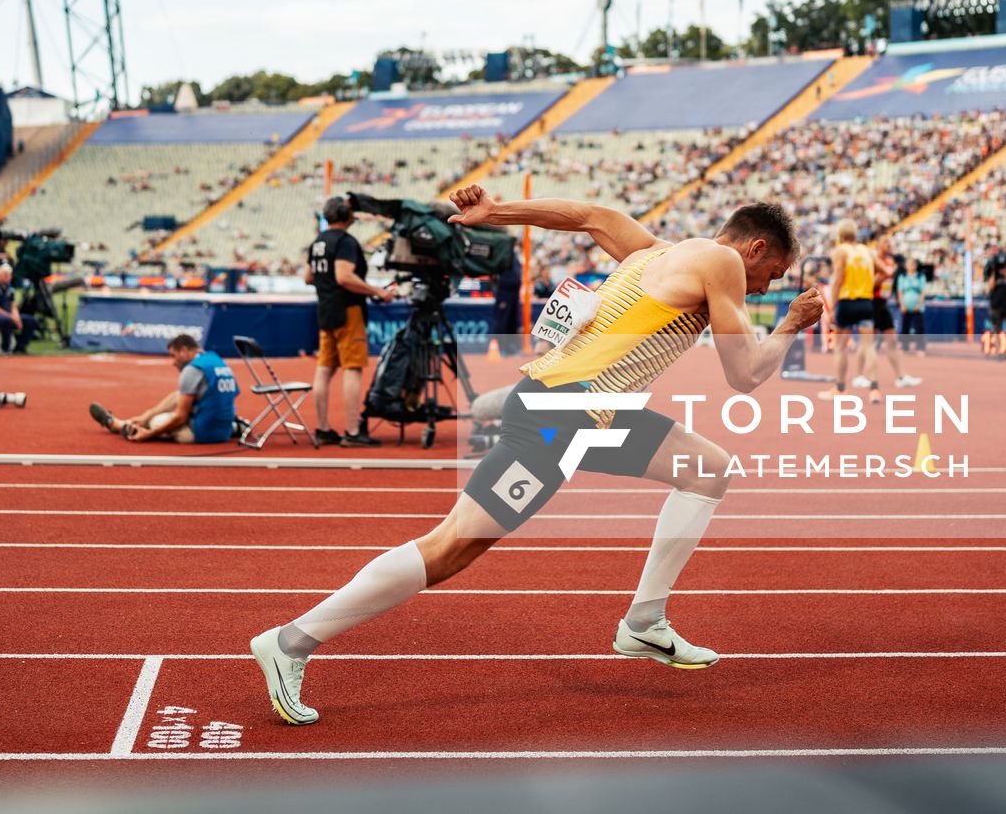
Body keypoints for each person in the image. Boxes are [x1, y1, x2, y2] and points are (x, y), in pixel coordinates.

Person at [249, 184, 824, 727]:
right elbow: (744, 373)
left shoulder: (655, 251)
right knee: (451, 549)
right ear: (753, 248)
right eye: (772, 274)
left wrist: (495, 212)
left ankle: (645, 622)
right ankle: (291, 641)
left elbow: (586, 216)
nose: (767, 289)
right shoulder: (720, 262)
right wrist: (792, 324)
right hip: (561, 414)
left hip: (593, 414)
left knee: (707, 469)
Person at [304, 195, 397, 446]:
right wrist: (377, 291)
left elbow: (308, 277)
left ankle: (323, 429)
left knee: (324, 369)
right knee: (352, 369)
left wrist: (327, 285)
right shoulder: (345, 242)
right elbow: (344, 276)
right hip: (348, 310)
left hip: (325, 310)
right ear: (346, 215)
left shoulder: (318, 242)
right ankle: (353, 431)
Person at [88, 333, 240, 443]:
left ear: (184, 350)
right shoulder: (218, 361)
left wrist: (150, 435)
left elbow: (180, 418)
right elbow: (232, 395)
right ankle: (138, 420)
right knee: (178, 396)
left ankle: (123, 426)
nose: (173, 362)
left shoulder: (192, 370)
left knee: (158, 421)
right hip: (224, 431)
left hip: (202, 435)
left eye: (173, 356)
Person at [819, 219, 876, 400]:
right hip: (866, 302)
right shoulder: (867, 251)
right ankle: (874, 388)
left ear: (841, 236)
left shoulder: (840, 251)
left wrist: (832, 307)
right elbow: (880, 273)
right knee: (868, 346)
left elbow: (837, 280)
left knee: (840, 347)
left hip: (847, 302)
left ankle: (841, 388)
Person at [866, 241, 921, 395]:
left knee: (892, 341)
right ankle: (864, 377)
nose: (889, 247)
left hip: (883, 304)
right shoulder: (873, 261)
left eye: (890, 245)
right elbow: (869, 285)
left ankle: (900, 377)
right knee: (868, 343)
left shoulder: (891, 262)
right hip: (872, 303)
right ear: (880, 246)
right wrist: (883, 275)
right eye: (886, 244)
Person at [0, 261, 29, 353]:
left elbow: (13, 305)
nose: (8, 277)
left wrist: (16, 317)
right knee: (6, 320)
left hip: (8, 315)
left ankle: (20, 347)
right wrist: (11, 316)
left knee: (30, 321)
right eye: (6, 275)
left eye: (9, 275)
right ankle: (5, 348)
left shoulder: (10, 288)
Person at [896, 256, 928, 354]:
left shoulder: (921, 277)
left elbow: (923, 291)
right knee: (905, 327)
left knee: (919, 327)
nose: (911, 266)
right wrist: (902, 304)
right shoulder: (902, 277)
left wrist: (919, 304)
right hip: (906, 306)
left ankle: (920, 347)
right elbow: (900, 292)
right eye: (909, 264)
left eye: (913, 264)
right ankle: (905, 347)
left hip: (917, 307)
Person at [987, 263, 1006, 334]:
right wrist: (994, 272)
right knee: (996, 330)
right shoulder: (993, 274)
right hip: (996, 305)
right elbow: (989, 288)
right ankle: (997, 344)